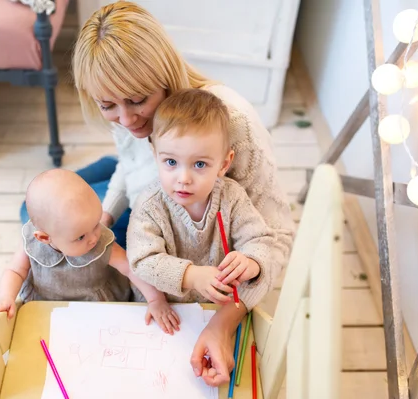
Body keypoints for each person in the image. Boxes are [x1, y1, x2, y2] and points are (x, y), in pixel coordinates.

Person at [68, 2, 296, 386]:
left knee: (58, 223)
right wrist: (105, 217)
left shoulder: (231, 122)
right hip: (148, 193)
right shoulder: (129, 121)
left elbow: (275, 237)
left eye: (138, 101)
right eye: (108, 106)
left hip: (181, 212)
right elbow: (130, 161)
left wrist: (223, 324)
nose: (125, 120)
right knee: (46, 211)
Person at [127, 88, 277, 315]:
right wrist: (192, 276)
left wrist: (251, 262)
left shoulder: (232, 197)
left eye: (199, 164)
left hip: (216, 306)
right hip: (166, 308)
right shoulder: (150, 205)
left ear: (224, 164)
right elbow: (141, 261)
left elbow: (260, 240)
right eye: (170, 162)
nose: (183, 179)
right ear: (155, 154)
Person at [0, 169, 181, 335]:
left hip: (96, 306)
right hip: (48, 305)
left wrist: (155, 299)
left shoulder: (99, 242)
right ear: (45, 238)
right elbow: (15, 271)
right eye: (81, 237)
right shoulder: (32, 243)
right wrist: (6, 297)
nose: (94, 238)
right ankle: (106, 165)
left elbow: (131, 269)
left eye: (95, 224)